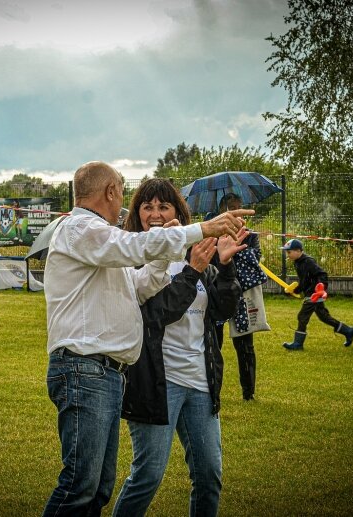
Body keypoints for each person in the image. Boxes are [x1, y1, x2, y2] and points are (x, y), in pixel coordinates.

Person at [42, 162, 254, 516]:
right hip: (85, 369)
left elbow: (139, 288)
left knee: (97, 487)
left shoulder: (104, 242)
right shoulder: (81, 228)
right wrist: (200, 229)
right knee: (81, 484)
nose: (124, 200)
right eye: (124, 192)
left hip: (106, 374)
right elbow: (133, 252)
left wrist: (172, 256)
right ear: (111, 191)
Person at [113, 179, 243, 517]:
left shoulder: (195, 254)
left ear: (178, 212)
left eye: (164, 207)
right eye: (147, 207)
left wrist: (225, 268)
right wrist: (191, 272)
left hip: (201, 381)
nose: (155, 214)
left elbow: (221, 311)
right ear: (137, 214)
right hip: (157, 383)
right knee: (147, 477)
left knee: (209, 476)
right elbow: (154, 316)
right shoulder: (132, 259)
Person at [212, 193, 268, 401]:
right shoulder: (211, 233)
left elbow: (255, 259)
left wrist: (232, 253)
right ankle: (212, 389)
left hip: (241, 295)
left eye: (239, 207)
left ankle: (248, 392)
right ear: (222, 211)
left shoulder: (250, 235)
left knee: (245, 345)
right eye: (232, 207)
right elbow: (210, 264)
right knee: (213, 344)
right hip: (217, 294)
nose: (237, 211)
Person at [281, 238, 353, 350]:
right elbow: (304, 280)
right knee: (324, 317)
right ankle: (348, 331)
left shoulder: (308, 261)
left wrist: (321, 289)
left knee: (302, 316)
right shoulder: (298, 262)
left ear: (298, 251)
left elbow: (322, 274)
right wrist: (296, 290)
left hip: (314, 294)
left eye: (289, 252)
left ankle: (298, 344)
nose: (287, 254)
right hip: (310, 293)